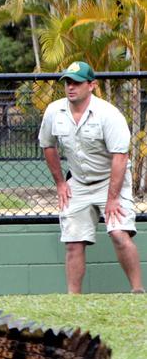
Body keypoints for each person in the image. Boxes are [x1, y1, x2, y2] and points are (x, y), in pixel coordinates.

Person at [38, 61, 144, 295]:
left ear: (92, 85)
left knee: (118, 233)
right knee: (73, 242)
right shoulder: (55, 111)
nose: (70, 87)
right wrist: (60, 183)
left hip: (112, 180)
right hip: (78, 183)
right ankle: (73, 299)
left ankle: (137, 292)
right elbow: (48, 145)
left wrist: (112, 198)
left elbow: (120, 156)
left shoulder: (108, 114)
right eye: (67, 82)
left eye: (76, 82)